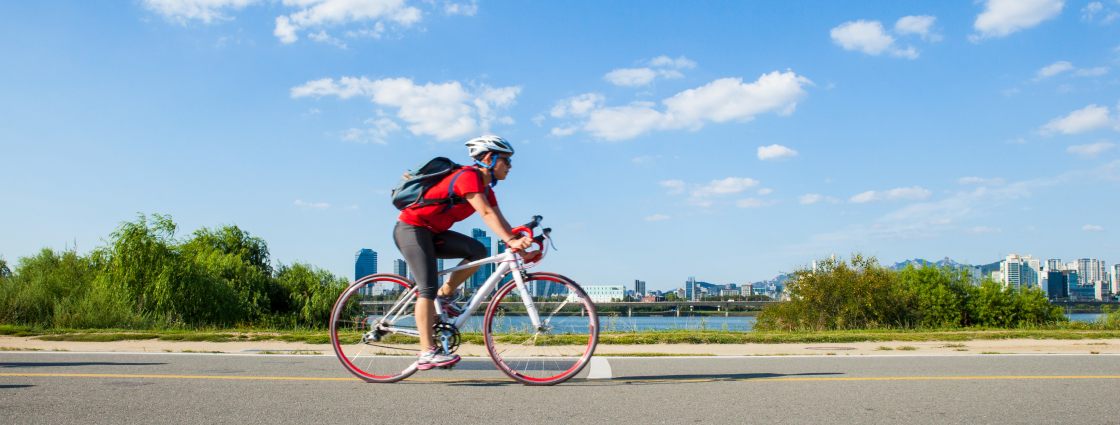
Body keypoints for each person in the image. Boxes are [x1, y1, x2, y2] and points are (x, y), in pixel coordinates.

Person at [393, 135, 533, 370]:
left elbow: (498, 218)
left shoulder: (486, 189)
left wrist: (517, 240)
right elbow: (486, 214)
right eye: (506, 161)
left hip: (433, 232)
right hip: (411, 229)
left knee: (478, 250)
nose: (510, 166)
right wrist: (510, 239)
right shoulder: (468, 177)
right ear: (489, 157)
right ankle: (426, 352)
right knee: (426, 288)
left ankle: (445, 296)